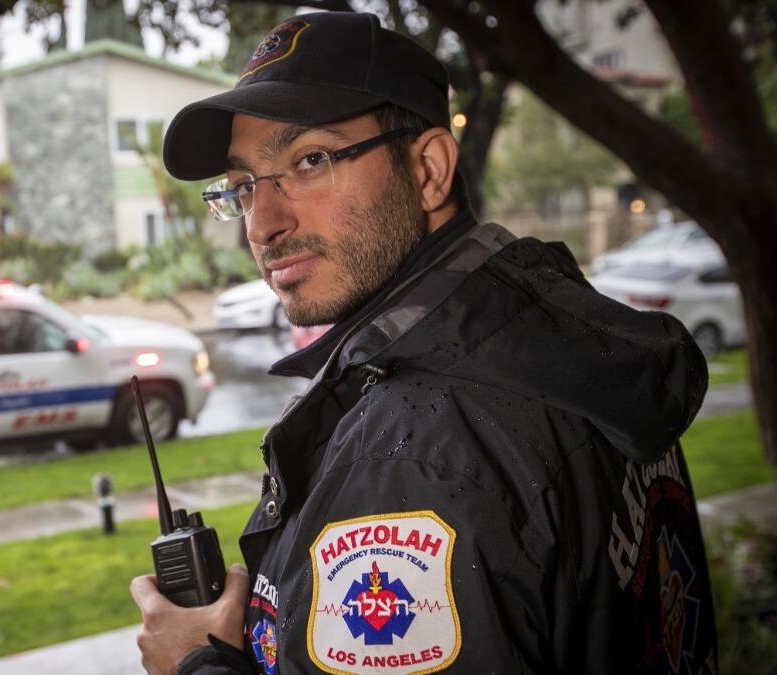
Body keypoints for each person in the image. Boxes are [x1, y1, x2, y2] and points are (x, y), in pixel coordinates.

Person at [129, 11, 717, 675]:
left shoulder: (411, 461)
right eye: (242, 187)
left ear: (430, 168)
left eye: (311, 160)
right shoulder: (567, 345)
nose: (263, 223)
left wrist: (193, 664)